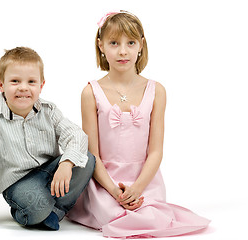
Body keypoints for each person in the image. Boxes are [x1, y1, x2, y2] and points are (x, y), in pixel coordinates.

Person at [67, 11, 210, 238]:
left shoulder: (157, 91)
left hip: (145, 180)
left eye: (130, 43)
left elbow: (155, 151)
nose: (123, 51)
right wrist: (115, 190)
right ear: (101, 45)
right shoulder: (90, 92)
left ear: (141, 45)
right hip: (105, 181)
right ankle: (105, 204)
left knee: (151, 215)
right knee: (113, 215)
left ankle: (142, 202)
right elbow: (92, 154)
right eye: (114, 43)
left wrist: (137, 188)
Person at [0, 47, 95, 230]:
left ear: (41, 85)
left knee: (87, 159)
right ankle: (27, 212)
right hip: (18, 183)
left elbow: (76, 135)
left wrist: (66, 163)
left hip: (50, 172)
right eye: (15, 81)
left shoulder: (49, 111)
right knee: (36, 204)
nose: (23, 87)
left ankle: (57, 210)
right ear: (1, 84)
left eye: (31, 82)